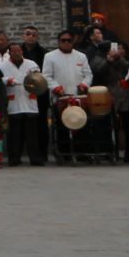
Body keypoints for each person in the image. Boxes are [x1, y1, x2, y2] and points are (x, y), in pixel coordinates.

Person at [41, 30, 91, 162]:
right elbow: (46, 75)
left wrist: (84, 85)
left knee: (81, 123)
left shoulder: (81, 56)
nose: (66, 43)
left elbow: (88, 74)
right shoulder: (50, 56)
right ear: (59, 42)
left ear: (73, 41)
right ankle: (64, 153)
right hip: (61, 97)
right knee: (62, 125)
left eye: (69, 40)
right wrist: (55, 87)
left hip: (78, 96)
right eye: (63, 40)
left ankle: (81, 153)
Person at [0, 44, 44, 165]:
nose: (17, 53)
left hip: (29, 100)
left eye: (19, 51)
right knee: (14, 134)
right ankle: (14, 158)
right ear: (9, 52)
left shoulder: (31, 64)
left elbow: (39, 78)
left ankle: (35, 158)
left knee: (32, 134)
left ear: (22, 51)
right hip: (13, 101)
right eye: (14, 51)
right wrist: (7, 80)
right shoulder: (3, 66)